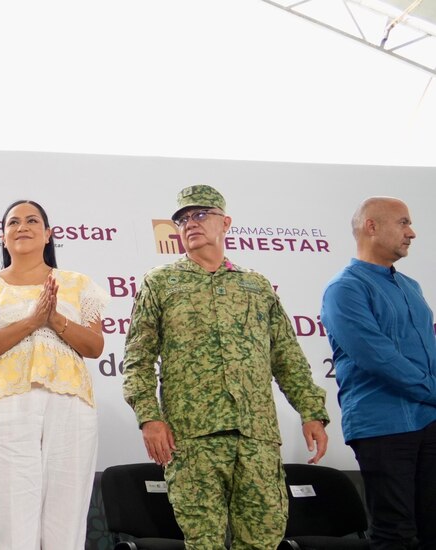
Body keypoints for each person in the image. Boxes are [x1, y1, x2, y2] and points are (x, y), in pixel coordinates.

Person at [122, 184, 330, 550]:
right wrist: (149, 418)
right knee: (204, 543)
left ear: (226, 223)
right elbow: (137, 360)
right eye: (184, 219)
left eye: (201, 215)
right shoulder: (161, 284)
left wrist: (311, 411)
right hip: (192, 437)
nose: (191, 224)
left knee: (263, 538)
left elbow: (286, 355)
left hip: (257, 436)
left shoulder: (256, 286)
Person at [0, 199, 108, 549]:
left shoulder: (77, 283)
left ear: (48, 234)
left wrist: (55, 319)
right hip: (7, 405)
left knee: (66, 518)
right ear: (4, 238)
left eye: (32, 220)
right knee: (13, 515)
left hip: (70, 404)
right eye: (13, 222)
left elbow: (95, 347)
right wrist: (32, 321)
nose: (22, 226)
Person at [321, 196, 436, 550]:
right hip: (383, 425)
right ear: (371, 227)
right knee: (395, 533)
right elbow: (378, 357)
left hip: (427, 420)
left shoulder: (410, 287)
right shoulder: (345, 288)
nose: (412, 232)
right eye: (403, 222)